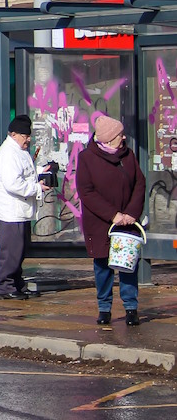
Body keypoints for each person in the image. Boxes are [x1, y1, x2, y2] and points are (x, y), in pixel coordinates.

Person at [75, 115, 146, 326]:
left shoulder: (128, 155)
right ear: (107, 138)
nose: (123, 137)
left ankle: (131, 308)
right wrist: (113, 215)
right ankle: (104, 308)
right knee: (103, 266)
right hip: (101, 223)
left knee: (128, 265)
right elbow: (86, 192)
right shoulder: (87, 158)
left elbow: (139, 184)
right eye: (119, 135)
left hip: (127, 222)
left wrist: (131, 213)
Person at [0, 114, 49, 300]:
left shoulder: (19, 150)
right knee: (12, 251)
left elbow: (24, 173)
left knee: (19, 250)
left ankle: (16, 282)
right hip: (11, 212)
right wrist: (36, 188)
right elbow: (13, 183)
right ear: (14, 134)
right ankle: (5, 286)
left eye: (29, 135)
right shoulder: (9, 153)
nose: (29, 139)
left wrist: (40, 172)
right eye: (25, 136)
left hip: (20, 211)